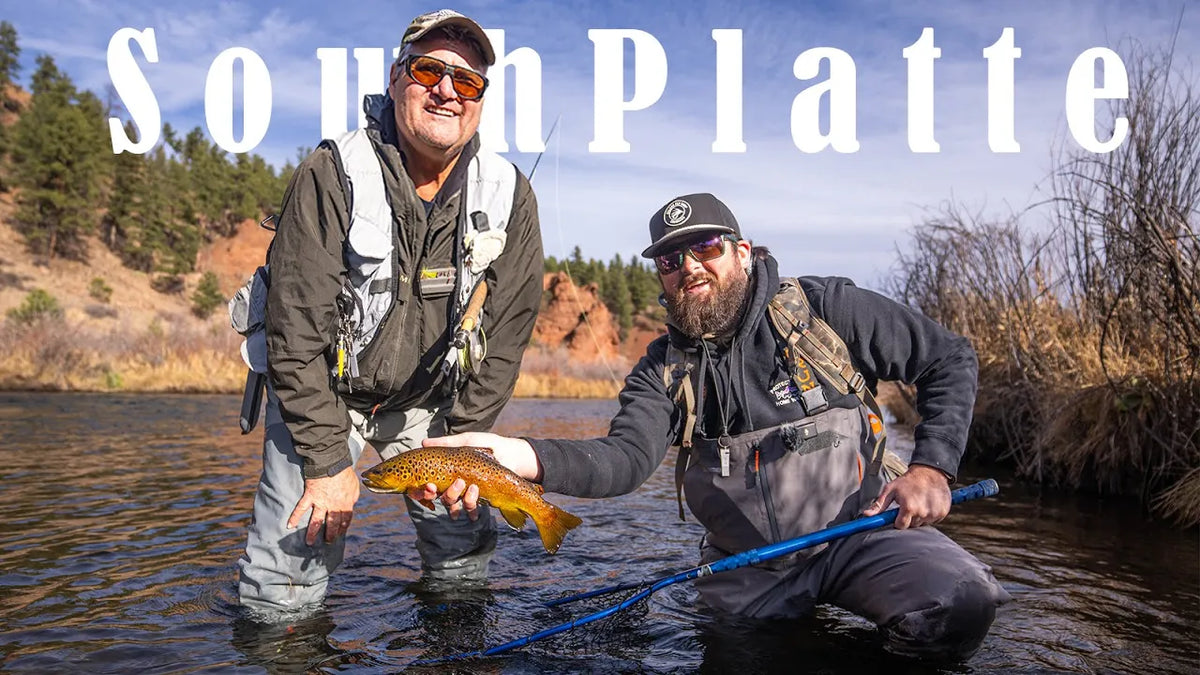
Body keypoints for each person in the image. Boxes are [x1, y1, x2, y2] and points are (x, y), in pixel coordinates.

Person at [418, 192, 1010, 661]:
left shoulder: (825, 311)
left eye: (706, 248)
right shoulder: (663, 369)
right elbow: (623, 461)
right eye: (671, 261)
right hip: (746, 569)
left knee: (963, 603)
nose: (690, 268)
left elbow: (948, 358)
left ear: (743, 251)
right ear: (661, 278)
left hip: (863, 534)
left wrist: (932, 467)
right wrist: (512, 454)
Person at [236, 8, 544, 617]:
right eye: (430, 70)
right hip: (325, 395)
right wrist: (326, 463)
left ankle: (452, 650)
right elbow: (293, 332)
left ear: (481, 99)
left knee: (462, 558)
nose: (448, 90)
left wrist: (458, 444)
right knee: (286, 578)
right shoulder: (331, 173)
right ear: (397, 75)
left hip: (433, 407)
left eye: (469, 80)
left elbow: (507, 337)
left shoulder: (511, 194)